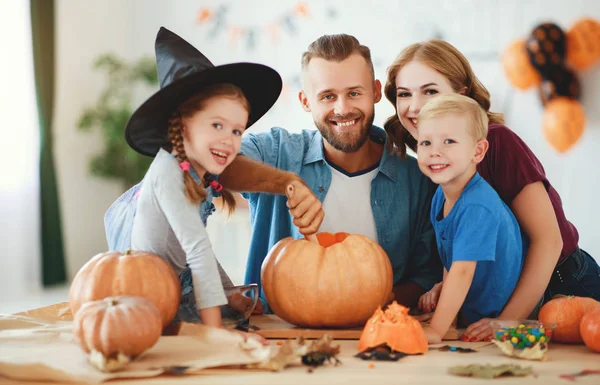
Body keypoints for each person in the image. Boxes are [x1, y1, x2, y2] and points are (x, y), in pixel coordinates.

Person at [383, 39, 600, 341]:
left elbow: (547, 242)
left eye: (430, 91)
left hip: (561, 285)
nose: (415, 106)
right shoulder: (435, 162)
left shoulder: (498, 144)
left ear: (463, 95)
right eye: (404, 94)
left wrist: (507, 321)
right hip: (507, 296)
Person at [217, 33, 441, 313]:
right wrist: (287, 183)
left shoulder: (416, 178)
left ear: (374, 91)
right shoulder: (277, 152)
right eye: (327, 96)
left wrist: (375, 302)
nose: (343, 108)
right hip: (276, 335)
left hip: (376, 332)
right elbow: (215, 162)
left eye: (354, 93)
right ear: (305, 101)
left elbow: (425, 276)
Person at [104, 26, 284, 340]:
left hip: (178, 287)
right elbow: (197, 251)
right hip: (150, 301)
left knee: (253, 320)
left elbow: (198, 249)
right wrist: (218, 337)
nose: (228, 141)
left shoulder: (193, 170)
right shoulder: (168, 173)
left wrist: (229, 293)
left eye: (236, 131)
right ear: (183, 124)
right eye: (217, 125)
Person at [412, 94, 526, 344]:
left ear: (478, 151)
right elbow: (451, 260)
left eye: (449, 141)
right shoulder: (441, 196)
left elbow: (463, 272)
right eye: (426, 143)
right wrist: (447, 318)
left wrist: (436, 331)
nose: (435, 152)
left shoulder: (477, 206)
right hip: (471, 316)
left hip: (497, 317)